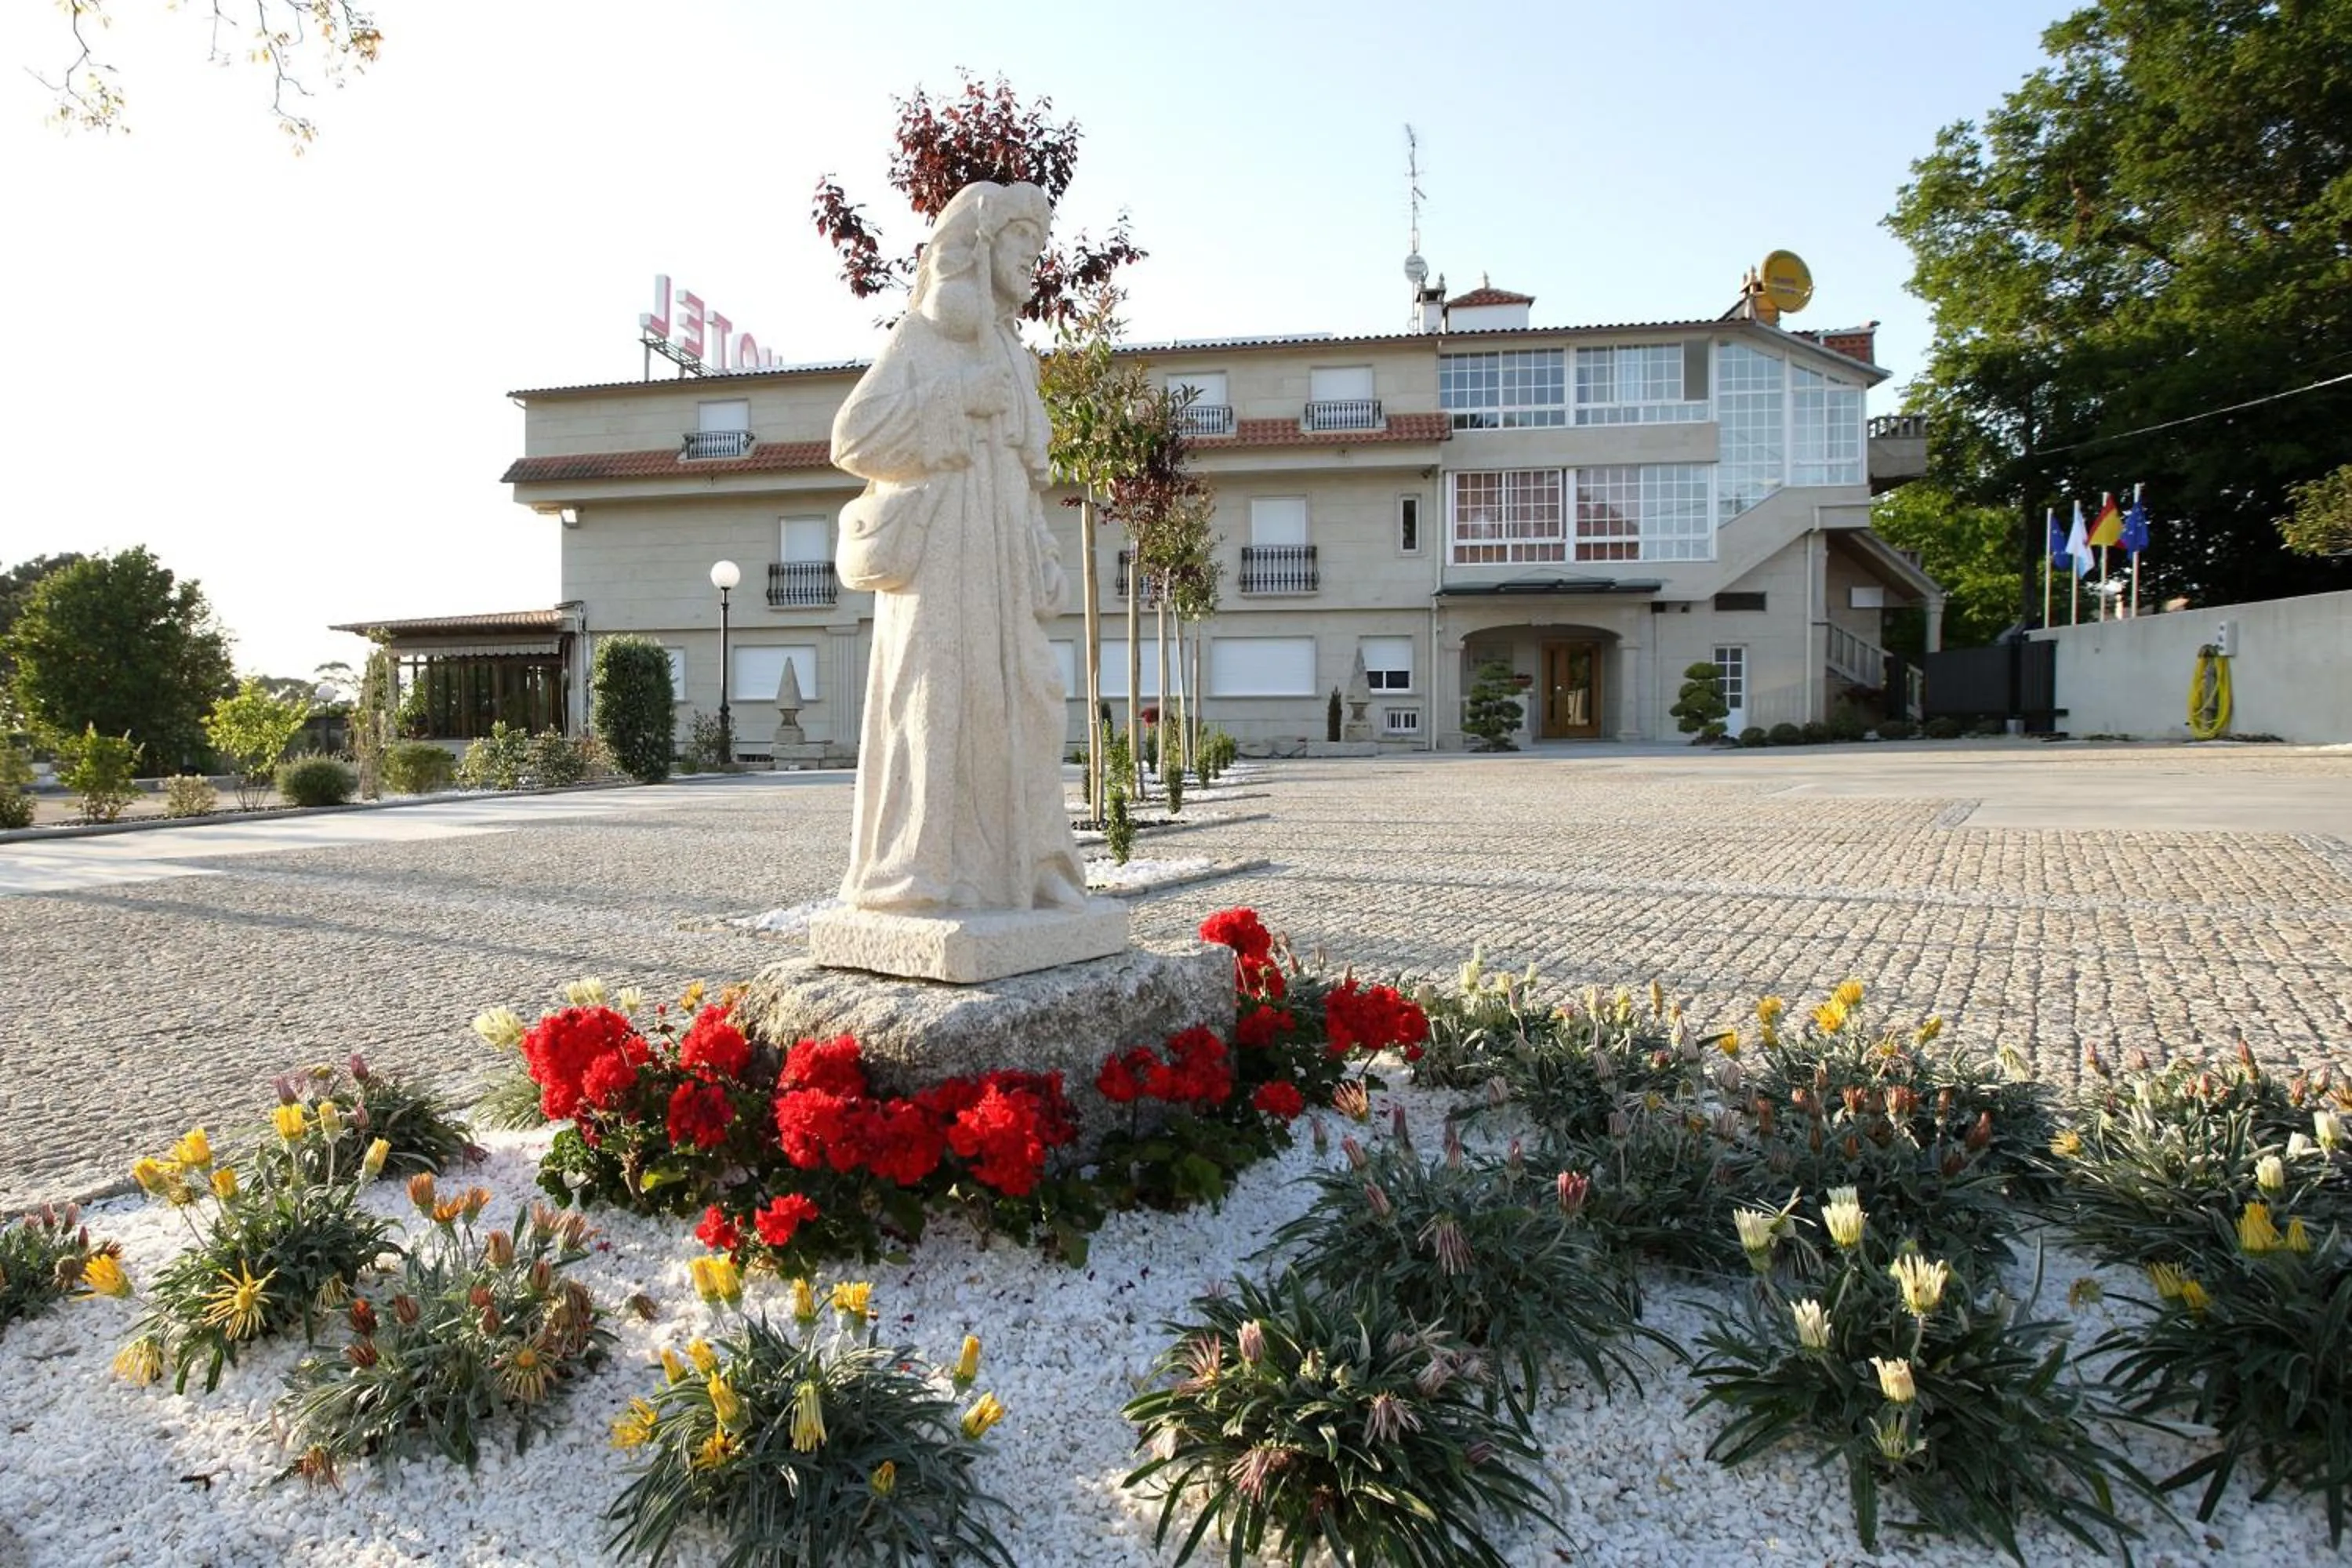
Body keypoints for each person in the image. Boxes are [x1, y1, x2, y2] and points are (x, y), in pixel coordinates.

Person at [829, 180, 1087, 915]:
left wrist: (1040, 544)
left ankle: (1034, 862)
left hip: (1004, 557)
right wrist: (955, 397)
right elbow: (853, 439)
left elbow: (1022, 470)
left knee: (1033, 698)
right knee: (936, 707)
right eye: (1022, 245)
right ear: (980, 245)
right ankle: (920, 872)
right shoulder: (924, 337)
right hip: (942, 561)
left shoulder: (1018, 358)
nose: (1034, 262)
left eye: (1039, 249)